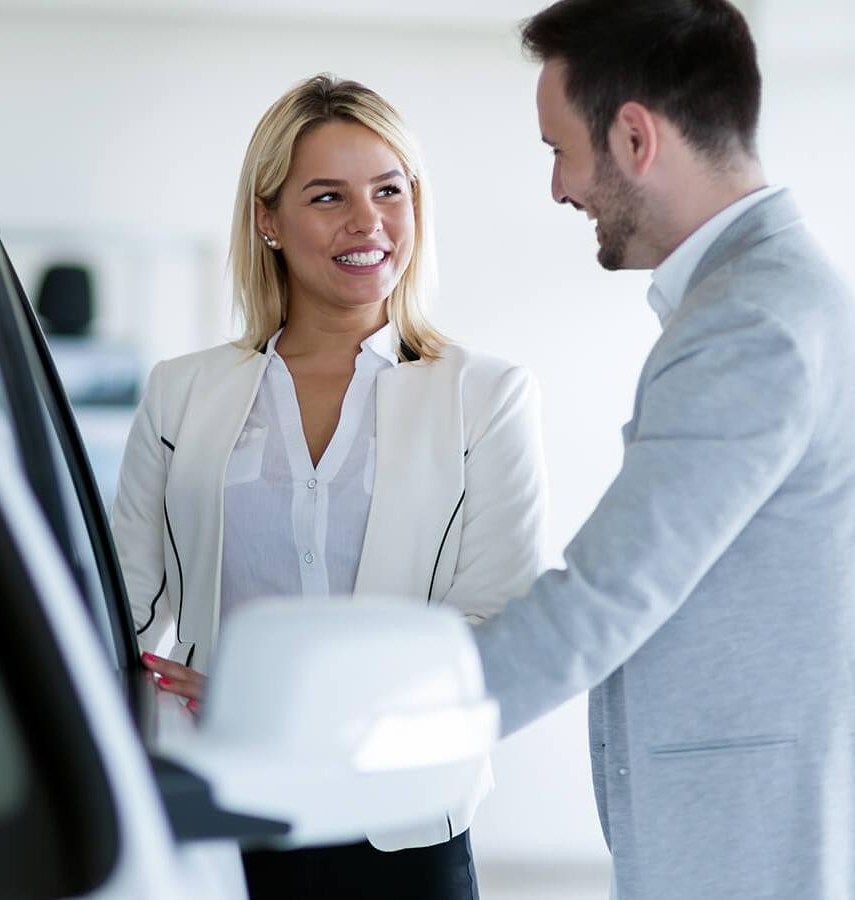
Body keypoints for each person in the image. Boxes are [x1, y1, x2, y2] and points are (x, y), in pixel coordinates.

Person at [110, 74, 547, 900]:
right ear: (266, 219)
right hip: (222, 812)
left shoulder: (484, 395)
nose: (367, 223)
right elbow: (118, 608)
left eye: (389, 190)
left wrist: (287, 701)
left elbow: (497, 622)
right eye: (327, 196)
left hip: (404, 824)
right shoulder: (182, 391)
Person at [469, 2, 855, 898]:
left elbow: (607, 595)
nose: (559, 188)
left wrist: (358, 725)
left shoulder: (749, 321)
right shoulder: (773, 296)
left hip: (750, 844)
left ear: (634, 137)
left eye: (558, 150)